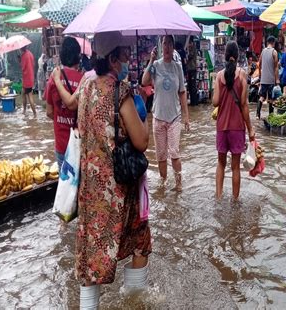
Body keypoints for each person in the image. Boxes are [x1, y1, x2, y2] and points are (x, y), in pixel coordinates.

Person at [52, 31, 151, 309]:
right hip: (119, 191)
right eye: (124, 53)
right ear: (113, 57)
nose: (128, 57)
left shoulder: (84, 84)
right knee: (139, 241)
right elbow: (142, 141)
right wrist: (146, 113)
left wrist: (59, 82)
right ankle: (135, 302)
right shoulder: (121, 92)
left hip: (89, 190)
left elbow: (72, 107)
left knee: (91, 253)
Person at [142, 35, 190, 191]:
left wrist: (186, 117)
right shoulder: (156, 65)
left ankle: (178, 184)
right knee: (161, 155)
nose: (167, 47)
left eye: (170, 44)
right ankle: (163, 183)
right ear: (161, 47)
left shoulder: (177, 67)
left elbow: (182, 92)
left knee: (174, 152)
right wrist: (150, 60)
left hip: (174, 117)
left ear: (173, 47)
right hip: (158, 116)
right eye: (165, 44)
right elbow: (144, 81)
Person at [213, 41, 255, 200]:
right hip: (237, 127)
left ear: (224, 56)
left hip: (222, 127)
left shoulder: (218, 76)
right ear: (238, 57)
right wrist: (250, 129)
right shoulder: (242, 75)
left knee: (221, 163)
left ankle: (218, 197)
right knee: (235, 167)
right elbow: (244, 105)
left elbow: (215, 102)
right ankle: (235, 201)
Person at [45, 37, 83, 168]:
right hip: (80, 142)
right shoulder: (84, 80)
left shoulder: (54, 78)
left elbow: (49, 112)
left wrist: (61, 118)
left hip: (61, 143)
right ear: (78, 56)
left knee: (65, 185)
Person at [257, 36, 279, 119]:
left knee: (262, 97)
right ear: (273, 43)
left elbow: (259, 65)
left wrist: (260, 76)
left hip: (263, 79)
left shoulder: (263, 51)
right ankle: (271, 116)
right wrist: (277, 79)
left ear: (267, 42)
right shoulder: (274, 52)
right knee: (271, 98)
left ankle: (257, 115)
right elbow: (276, 67)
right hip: (271, 79)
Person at [20, 45, 36, 116]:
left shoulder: (24, 56)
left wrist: (19, 61)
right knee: (23, 93)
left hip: (26, 78)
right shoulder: (30, 54)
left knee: (29, 95)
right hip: (31, 77)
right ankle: (24, 110)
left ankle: (34, 113)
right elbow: (33, 64)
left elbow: (23, 68)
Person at [187, 37, 198, 106]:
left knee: (193, 86)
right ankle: (192, 101)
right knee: (190, 86)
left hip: (192, 69)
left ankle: (194, 102)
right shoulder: (191, 48)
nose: (188, 45)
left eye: (189, 43)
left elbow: (190, 56)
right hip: (189, 69)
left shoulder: (193, 48)